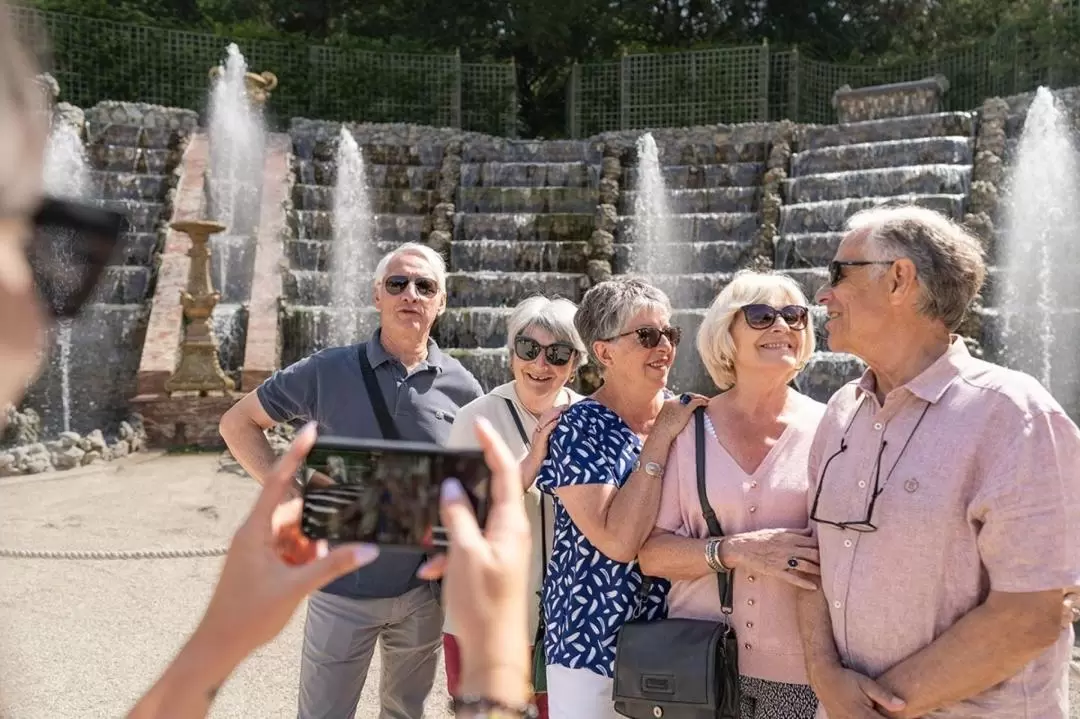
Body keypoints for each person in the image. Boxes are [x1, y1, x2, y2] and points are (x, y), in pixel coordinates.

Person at [798, 205, 1080, 719]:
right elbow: (815, 561)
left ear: (900, 279)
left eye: (839, 273)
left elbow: (1030, 614)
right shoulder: (841, 409)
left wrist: (871, 707)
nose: (823, 294)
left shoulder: (1015, 413)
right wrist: (825, 678)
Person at [219, 242, 484, 719]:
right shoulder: (328, 369)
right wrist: (293, 496)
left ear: (441, 301)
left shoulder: (464, 388)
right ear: (376, 295)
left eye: (425, 286)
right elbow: (237, 424)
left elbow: (472, 485)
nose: (411, 294)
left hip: (422, 595)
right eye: (397, 283)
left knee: (405, 713)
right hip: (340, 589)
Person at [638, 270, 824, 719]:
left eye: (794, 316)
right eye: (761, 315)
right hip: (699, 668)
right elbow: (652, 556)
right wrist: (737, 551)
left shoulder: (831, 427)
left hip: (800, 676)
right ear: (727, 332)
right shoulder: (690, 433)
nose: (781, 326)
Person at [532, 278, 708, 719]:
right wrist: (661, 436)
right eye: (647, 335)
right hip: (590, 642)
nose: (664, 345)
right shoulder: (578, 428)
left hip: (678, 634)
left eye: (670, 334)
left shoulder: (689, 418)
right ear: (605, 352)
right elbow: (617, 542)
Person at [438, 295, 587, 718]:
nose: (541, 364)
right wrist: (531, 462)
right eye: (529, 349)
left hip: (569, 629)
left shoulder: (590, 419)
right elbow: (459, 518)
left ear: (575, 364)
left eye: (558, 354)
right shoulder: (476, 419)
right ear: (511, 353)